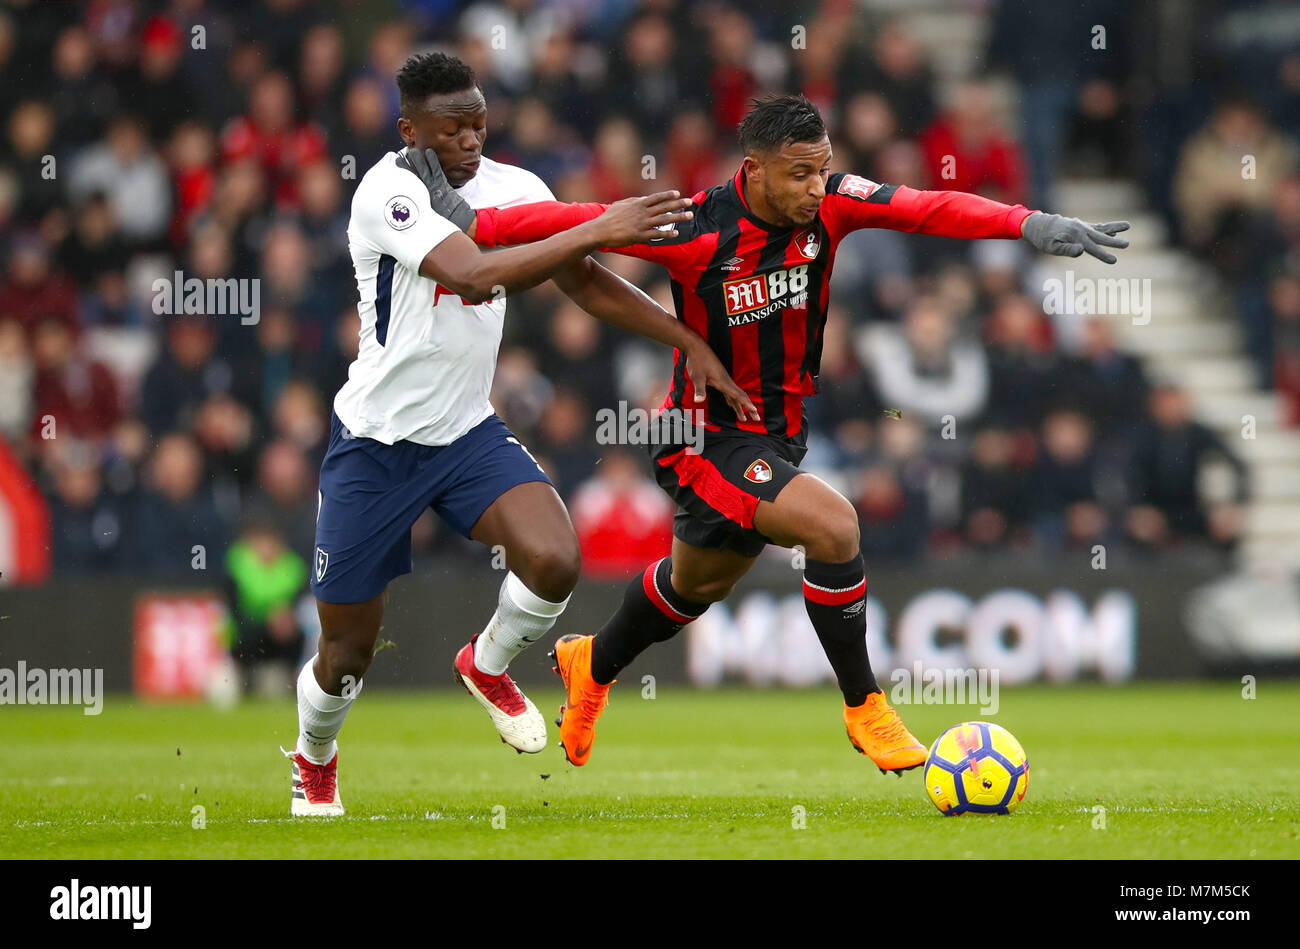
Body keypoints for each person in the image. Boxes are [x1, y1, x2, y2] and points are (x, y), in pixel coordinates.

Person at [428, 93, 1129, 773]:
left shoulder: (835, 202)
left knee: (692, 586)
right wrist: (459, 218)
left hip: (778, 433)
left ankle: (592, 663)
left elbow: (929, 207)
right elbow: (568, 221)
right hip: (702, 435)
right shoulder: (694, 224)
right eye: (800, 173)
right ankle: (866, 707)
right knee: (835, 527)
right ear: (754, 169)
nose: (815, 186)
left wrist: (1026, 222)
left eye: (821, 168)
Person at [287, 53, 753, 817]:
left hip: (465, 428)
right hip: (374, 441)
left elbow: (584, 279)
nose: (470, 139)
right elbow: (472, 273)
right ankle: (315, 757)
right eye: (451, 129)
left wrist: (684, 338)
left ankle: (488, 661)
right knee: (346, 655)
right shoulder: (387, 189)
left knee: (554, 559)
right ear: (410, 129)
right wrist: (598, 222)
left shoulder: (518, 188)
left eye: (478, 123)